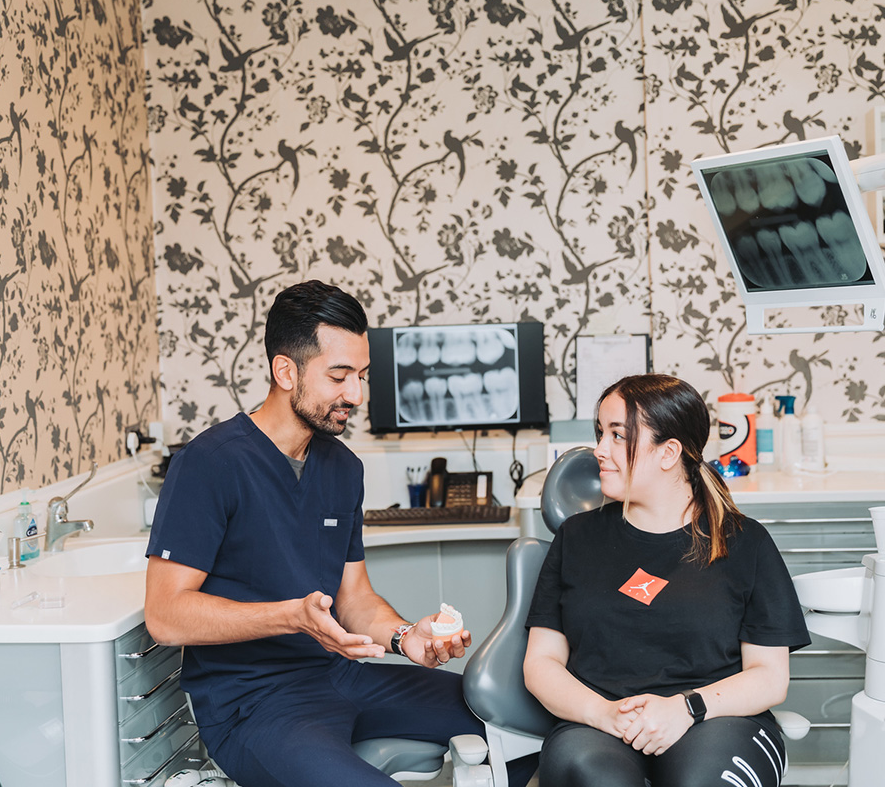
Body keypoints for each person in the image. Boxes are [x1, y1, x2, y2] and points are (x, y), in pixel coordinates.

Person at [144, 281, 535, 787]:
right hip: (253, 702)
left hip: (339, 675)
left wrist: (404, 637)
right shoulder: (209, 464)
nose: (357, 394)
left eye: (363, 375)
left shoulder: (343, 468)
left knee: (518, 728)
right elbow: (166, 616)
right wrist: (290, 617)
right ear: (286, 371)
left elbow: (354, 598)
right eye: (339, 375)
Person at [523, 373, 811, 787]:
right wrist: (603, 713)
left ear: (668, 452)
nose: (599, 450)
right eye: (600, 433)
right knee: (594, 776)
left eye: (618, 436)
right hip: (596, 725)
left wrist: (686, 708)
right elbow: (541, 664)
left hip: (716, 720)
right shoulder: (577, 538)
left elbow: (769, 676)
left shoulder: (744, 543)